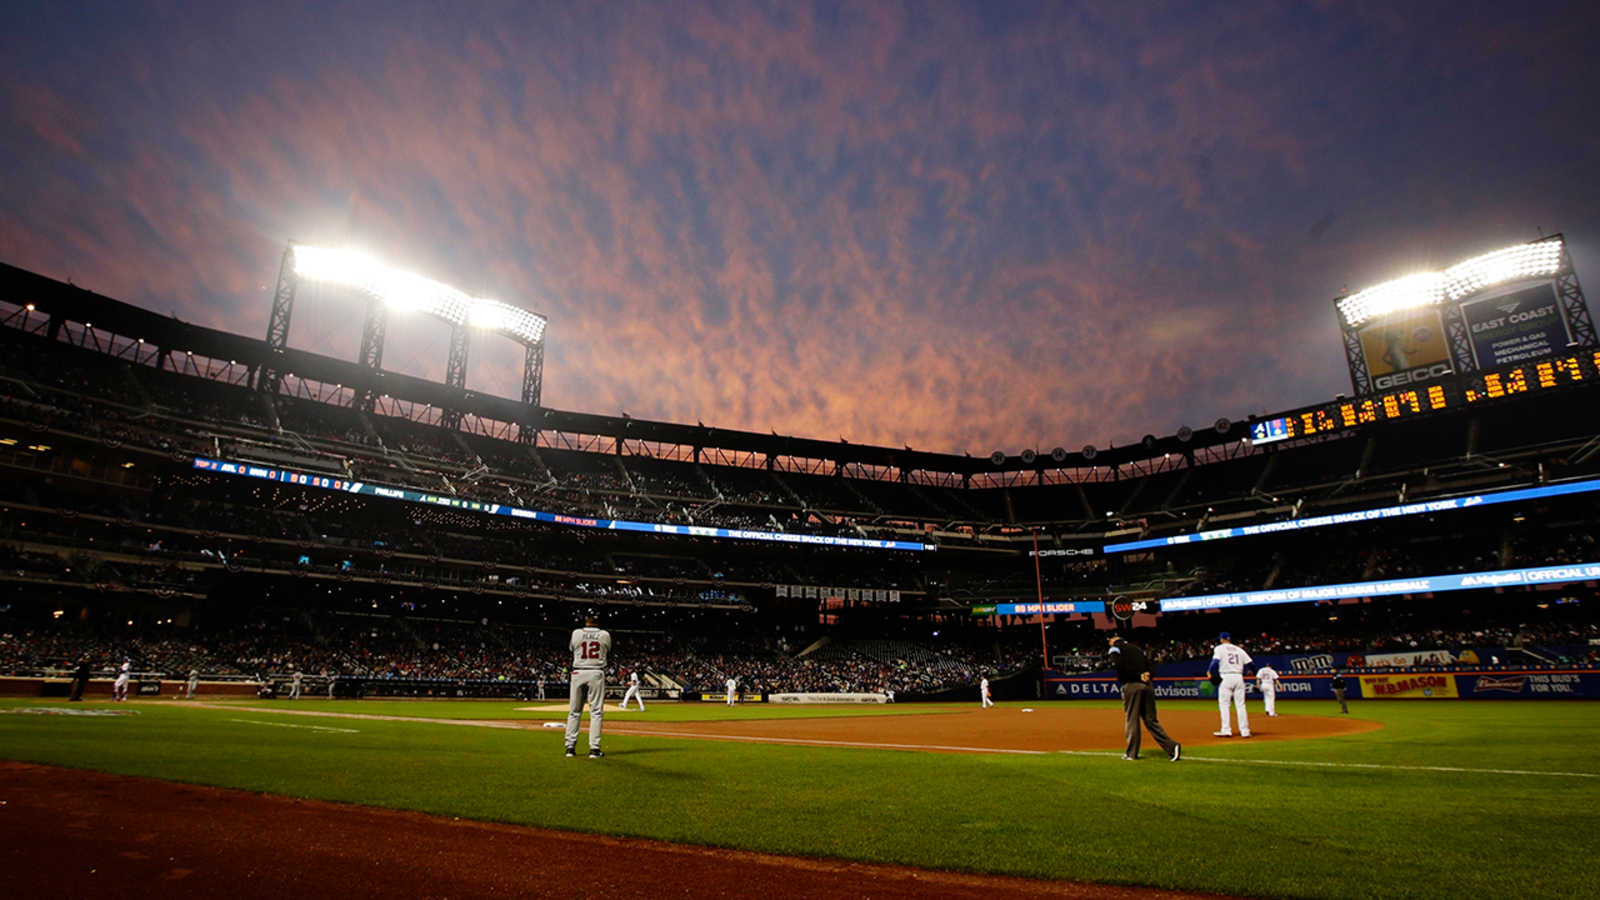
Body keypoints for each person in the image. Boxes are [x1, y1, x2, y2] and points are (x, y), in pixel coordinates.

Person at [1107, 634, 1180, 761]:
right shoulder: (1138, 649)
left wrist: (1137, 676)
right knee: (1151, 720)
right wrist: (1148, 675)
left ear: (1112, 640)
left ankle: (1132, 753)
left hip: (1132, 685)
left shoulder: (1115, 648)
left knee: (1132, 719)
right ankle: (1171, 746)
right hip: (1147, 686)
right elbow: (1150, 665)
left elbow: (1118, 666)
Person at [565, 610, 611, 758]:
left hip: (578, 672)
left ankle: (570, 748)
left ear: (586, 619)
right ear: (599, 621)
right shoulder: (604, 634)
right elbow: (607, 650)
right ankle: (594, 749)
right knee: (596, 712)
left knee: (574, 712)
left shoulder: (576, 633)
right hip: (596, 672)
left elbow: (572, 649)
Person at [1207, 632, 1252, 737]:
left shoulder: (1220, 648)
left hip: (1226, 677)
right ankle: (1245, 731)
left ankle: (1226, 730)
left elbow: (1215, 661)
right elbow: (1251, 663)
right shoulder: (1239, 650)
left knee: (1224, 705)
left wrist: (1210, 671)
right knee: (1241, 705)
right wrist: (1251, 671)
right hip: (1239, 677)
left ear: (1222, 639)